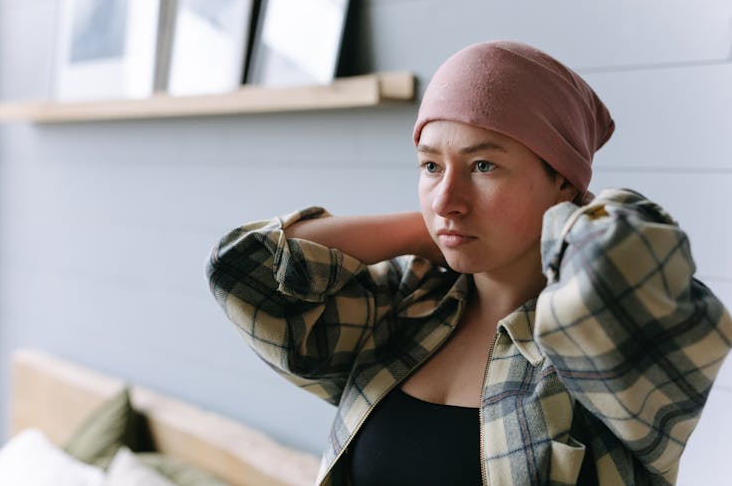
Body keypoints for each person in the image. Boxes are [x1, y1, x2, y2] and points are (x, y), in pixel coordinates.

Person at [205, 41, 732, 485]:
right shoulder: (406, 306)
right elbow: (241, 268)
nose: (447, 196)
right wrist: (432, 230)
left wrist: (549, 216)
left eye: (484, 165)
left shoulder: (607, 344)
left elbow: (624, 253)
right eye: (431, 165)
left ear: (564, 181)